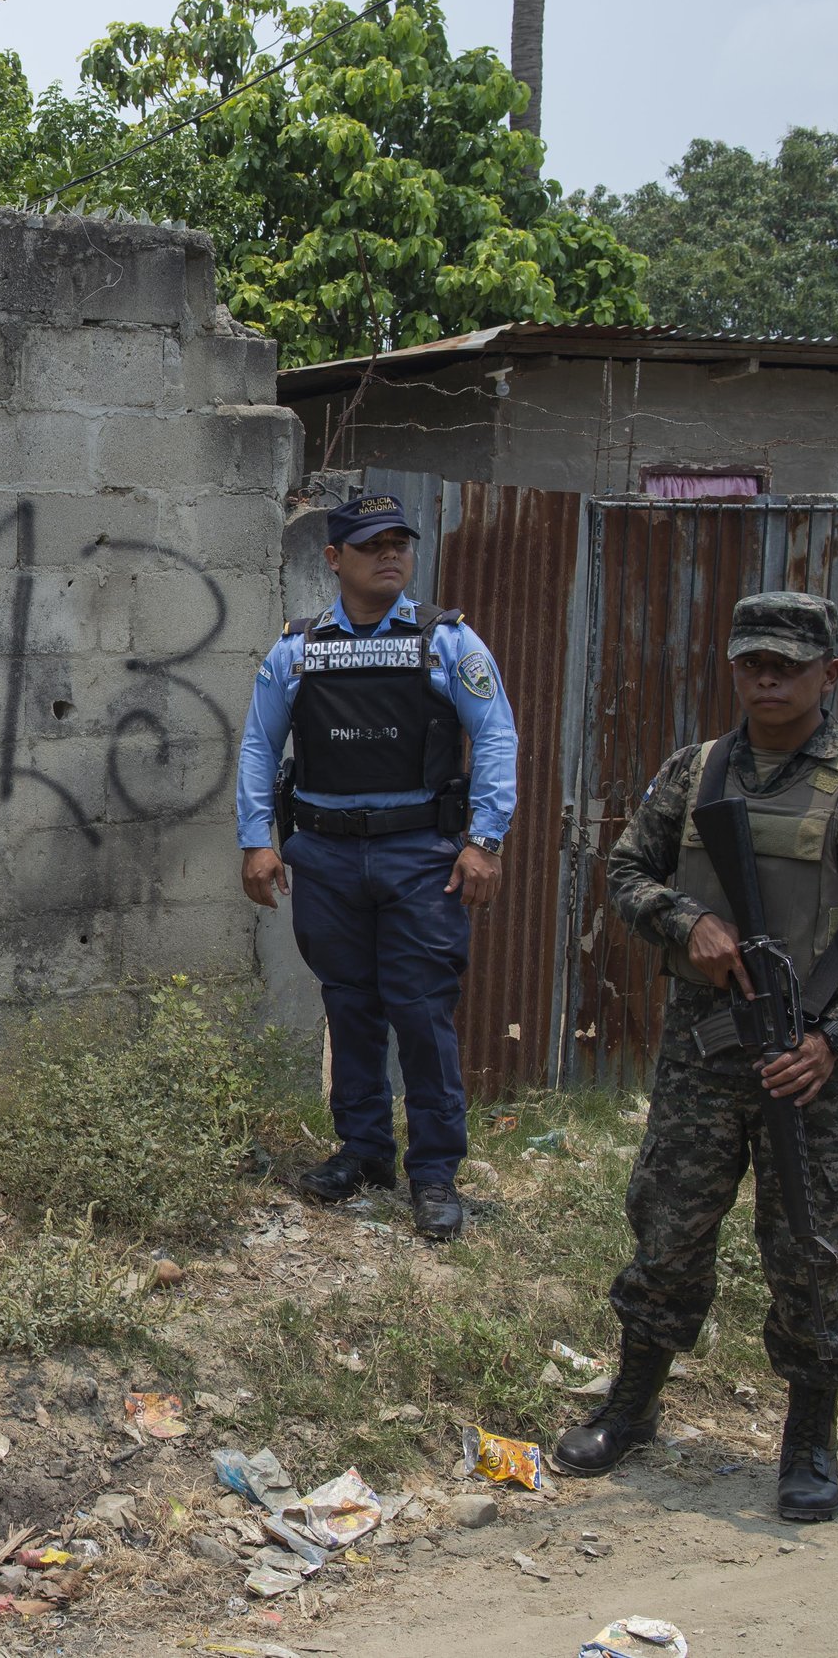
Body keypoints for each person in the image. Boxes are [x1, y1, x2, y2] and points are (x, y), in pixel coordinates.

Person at [553, 592, 838, 1523]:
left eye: (788, 665)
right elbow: (625, 874)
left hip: (811, 1067)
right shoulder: (695, 773)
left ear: (829, 675)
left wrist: (833, 1038)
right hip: (703, 1052)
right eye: (751, 662)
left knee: (809, 1246)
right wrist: (689, 922)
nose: (767, 679)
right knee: (668, 1228)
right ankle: (633, 1403)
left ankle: (810, 1436)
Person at [235, 493, 517, 1240]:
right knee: (349, 1003)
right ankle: (363, 1150)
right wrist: (256, 840)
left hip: (420, 855)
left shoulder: (449, 643)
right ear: (334, 560)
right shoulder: (295, 651)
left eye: (400, 541)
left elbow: (495, 739)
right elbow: (260, 747)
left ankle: (434, 1173)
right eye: (372, 544)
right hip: (324, 854)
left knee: (422, 1011)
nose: (390, 554)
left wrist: (485, 841)